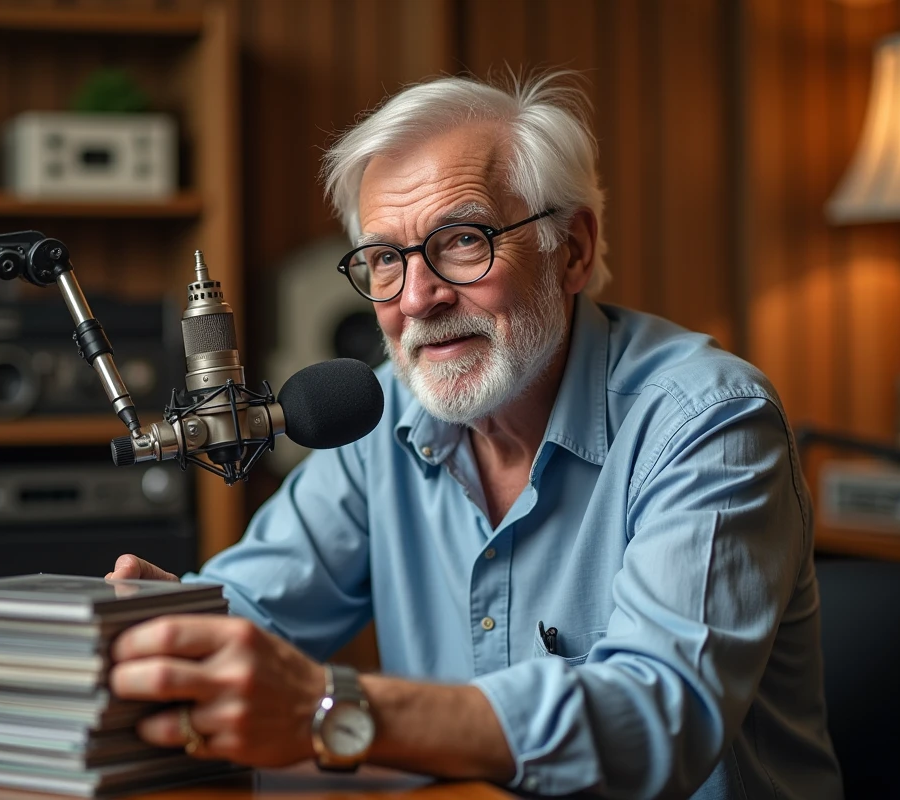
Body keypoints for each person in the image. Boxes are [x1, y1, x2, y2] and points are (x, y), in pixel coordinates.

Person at [105, 71, 844, 799]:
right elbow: (251, 608)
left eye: (462, 239)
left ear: (573, 250)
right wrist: (156, 637)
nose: (419, 297)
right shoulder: (387, 409)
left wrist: (332, 708)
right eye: (386, 259)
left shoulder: (709, 421)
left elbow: (655, 721)